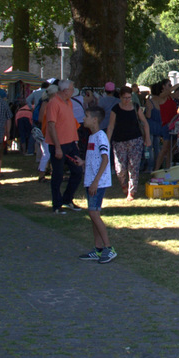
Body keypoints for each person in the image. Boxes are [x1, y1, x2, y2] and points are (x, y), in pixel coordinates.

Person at [78, 108, 117, 263]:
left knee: (94, 213)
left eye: (86, 116)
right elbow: (95, 158)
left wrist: (96, 181)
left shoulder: (101, 136)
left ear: (95, 119)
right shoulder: (92, 137)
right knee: (93, 214)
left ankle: (108, 247)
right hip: (91, 180)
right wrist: (83, 162)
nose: (84, 119)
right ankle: (98, 248)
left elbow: (105, 159)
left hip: (97, 182)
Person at [105, 84, 152, 201]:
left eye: (129, 97)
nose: (127, 100)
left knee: (134, 167)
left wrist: (147, 138)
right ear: (120, 97)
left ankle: (132, 191)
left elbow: (145, 123)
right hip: (119, 141)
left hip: (135, 140)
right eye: (125, 98)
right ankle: (123, 184)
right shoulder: (115, 109)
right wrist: (107, 141)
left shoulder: (135, 107)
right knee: (120, 169)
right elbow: (111, 126)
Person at [42, 79, 82, 212]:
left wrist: (75, 141)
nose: (73, 91)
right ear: (65, 91)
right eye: (71, 89)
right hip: (58, 144)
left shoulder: (68, 102)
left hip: (71, 143)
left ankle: (67, 199)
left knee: (77, 171)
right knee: (58, 175)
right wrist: (57, 147)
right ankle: (57, 204)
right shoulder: (53, 103)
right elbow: (51, 125)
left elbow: (69, 123)